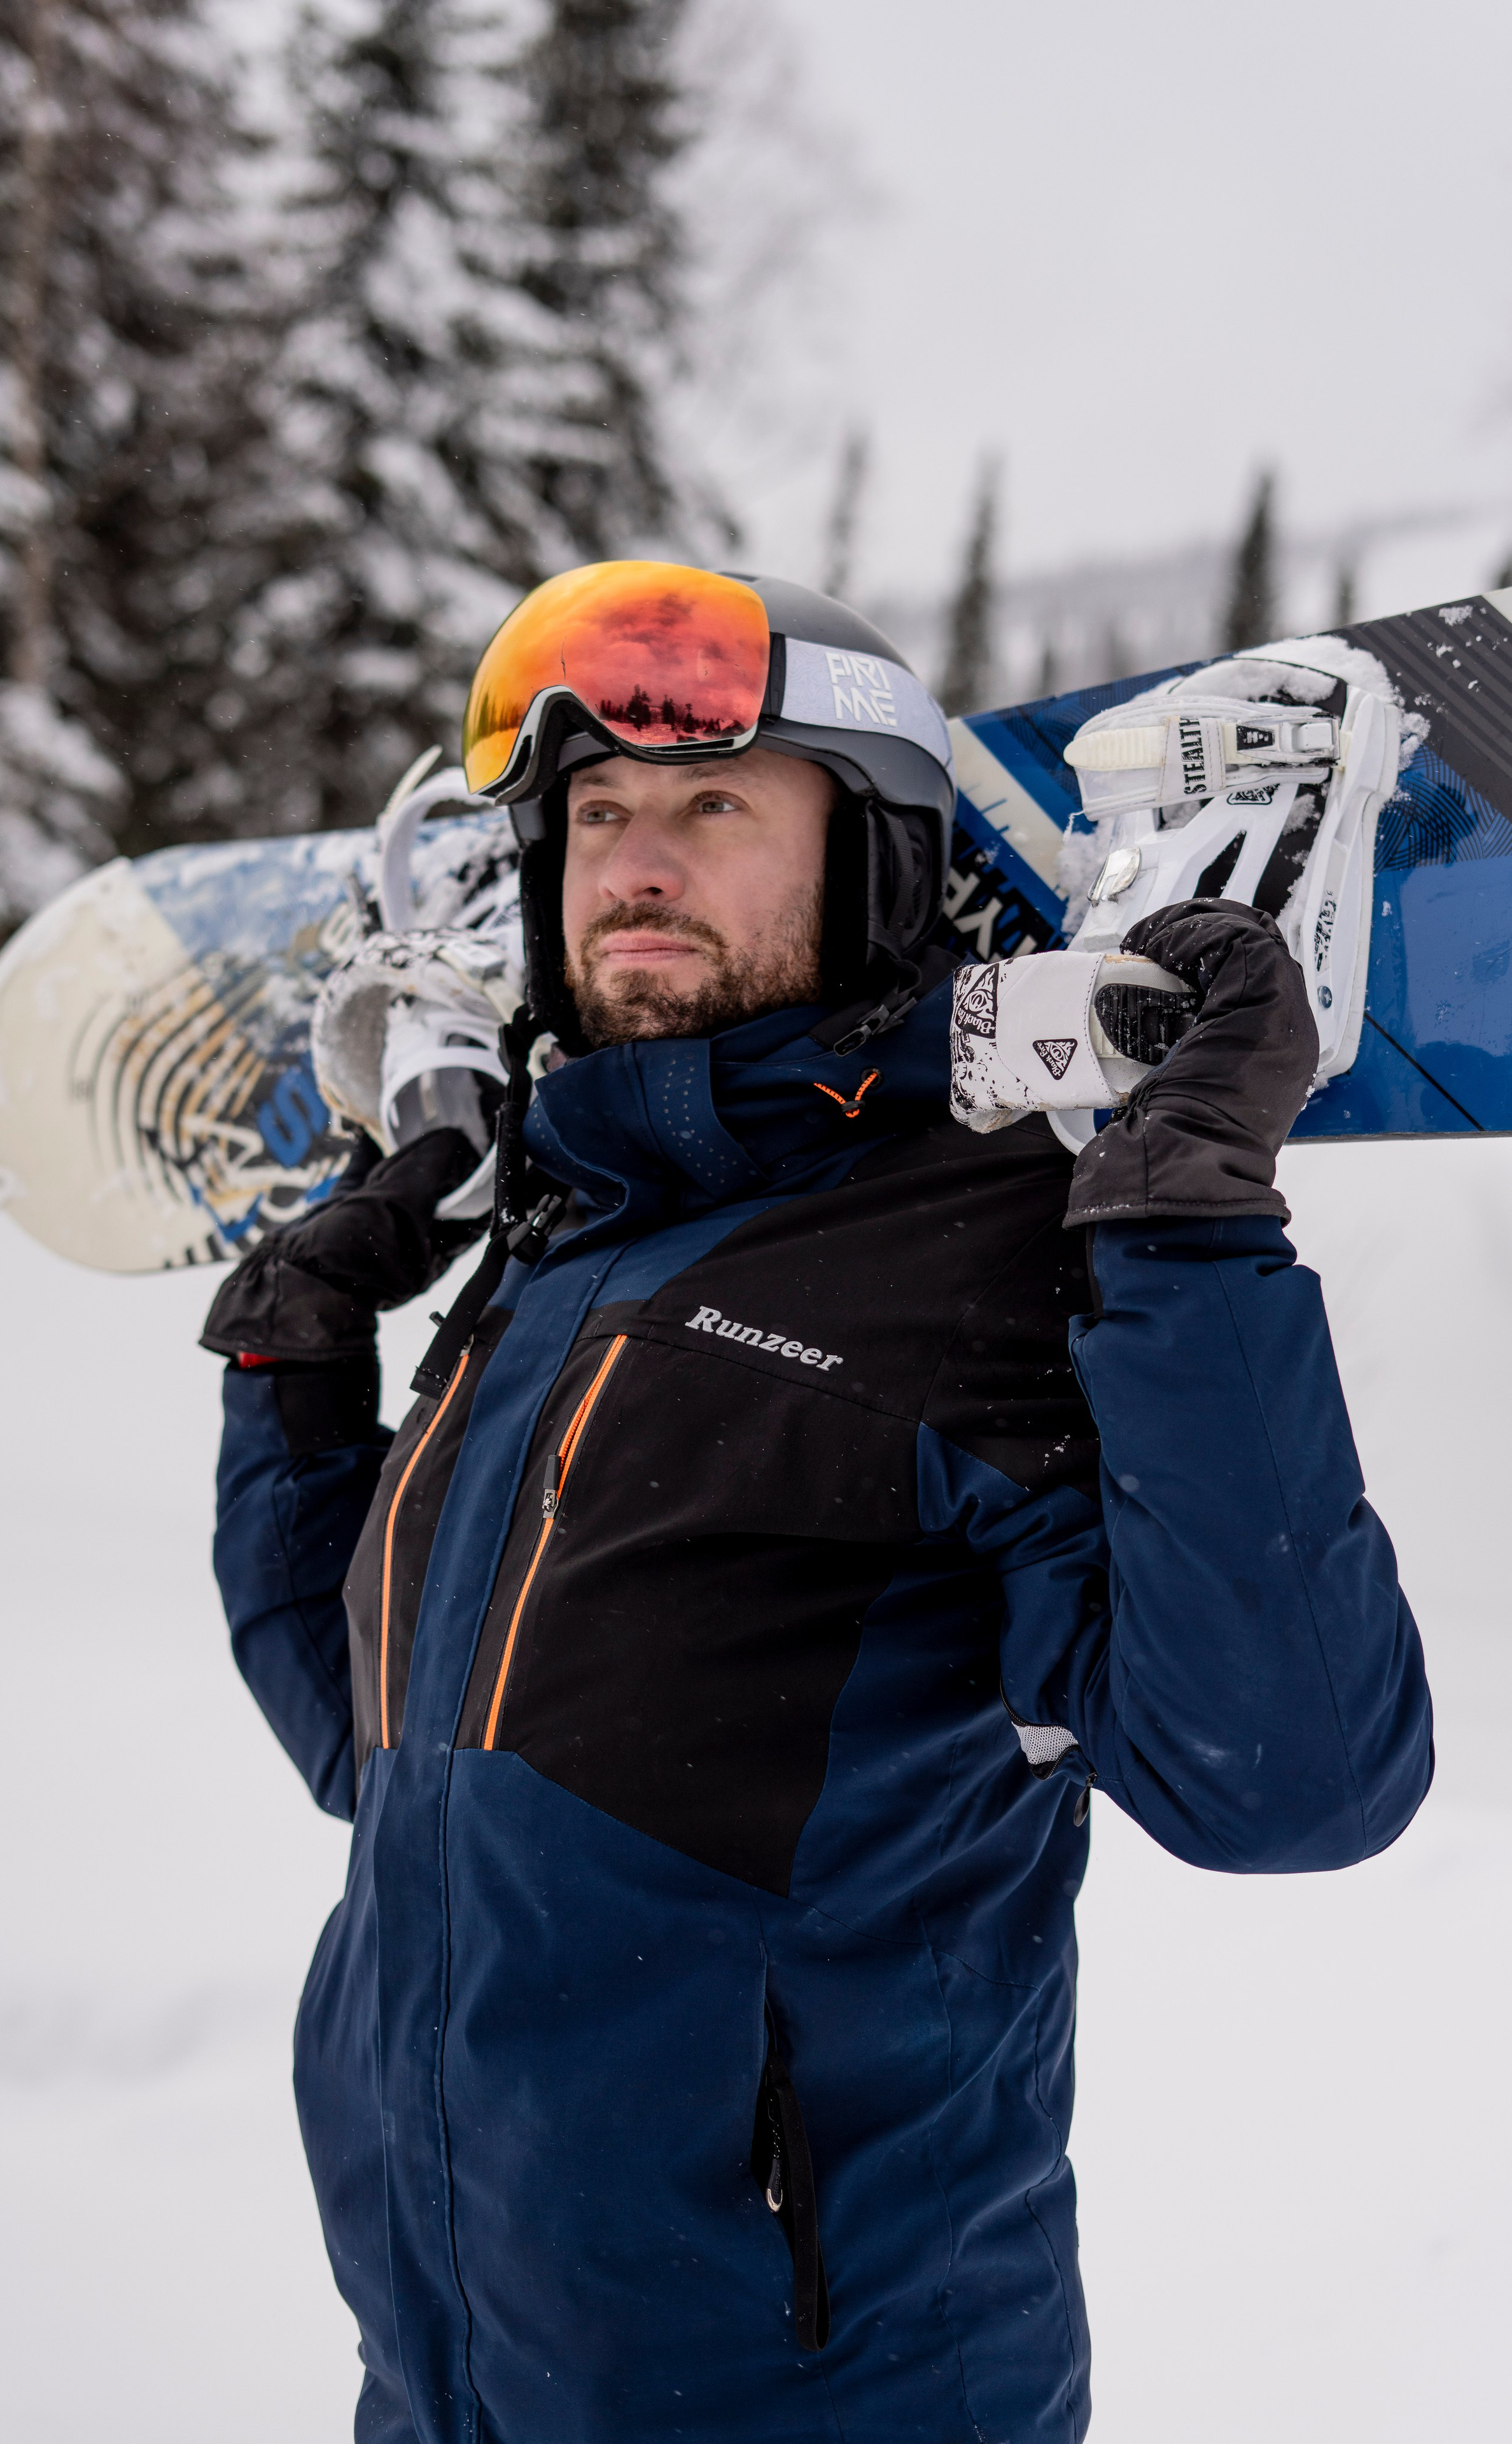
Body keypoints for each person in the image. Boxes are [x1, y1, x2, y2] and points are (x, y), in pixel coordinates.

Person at [202, 561, 1432, 2444]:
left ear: (868, 857)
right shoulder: (553, 1253)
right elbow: (379, 1758)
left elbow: (1291, 1779)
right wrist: (295, 1375)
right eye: (594, 817)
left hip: (816, 2394)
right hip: (449, 2376)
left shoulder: (970, 1246)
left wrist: (1184, 1238)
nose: (635, 861)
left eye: (712, 805)